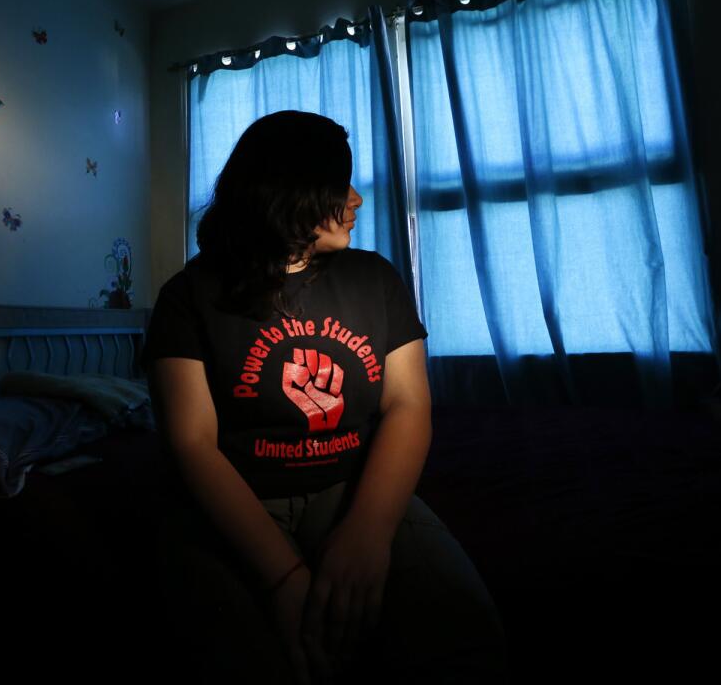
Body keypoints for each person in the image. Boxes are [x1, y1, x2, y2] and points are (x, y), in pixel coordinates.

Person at [142, 110, 507, 684]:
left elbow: (409, 407)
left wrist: (369, 532)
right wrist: (284, 578)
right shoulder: (188, 297)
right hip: (239, 498)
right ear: (291, 192)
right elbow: (191, 445)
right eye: (341, 185)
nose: (357, 199)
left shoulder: (374, 279)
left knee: (464, 636)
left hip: (350, 486)